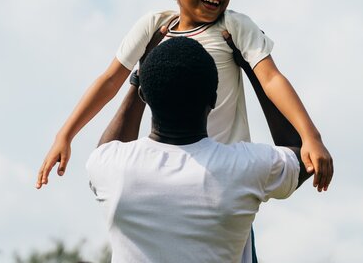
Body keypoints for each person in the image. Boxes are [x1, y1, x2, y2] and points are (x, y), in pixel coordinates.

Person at [36, 0, 332, 192]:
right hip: (169, 164)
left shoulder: (235, 26)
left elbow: (271, 79)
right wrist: (65, 136)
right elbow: (110, 80)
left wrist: (311, 136)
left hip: (226, 170)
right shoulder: (154, 27)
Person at [87, 37, 310, 263]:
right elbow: (305, 154)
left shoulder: (111, 167)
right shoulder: (244, 168)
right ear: (213, 100)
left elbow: (105, 151)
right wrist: (254, 69)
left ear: (144, 96)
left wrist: (138, 80)